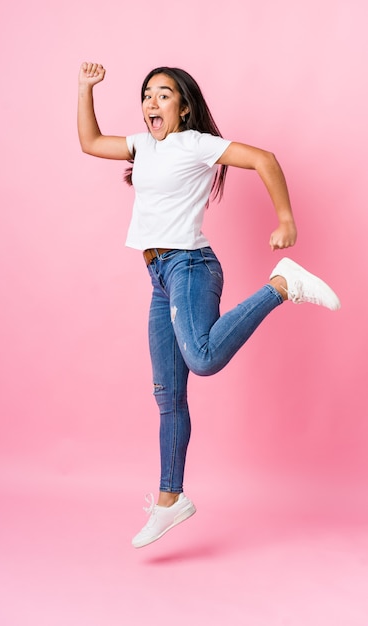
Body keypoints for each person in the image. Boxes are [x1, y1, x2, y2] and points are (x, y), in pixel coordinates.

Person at [77, 61, 340, 549]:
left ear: (184, 106)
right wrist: (85, 89)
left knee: (201, 357)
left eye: (163, 95)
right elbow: (91, 143)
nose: (152, 103)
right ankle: (170, 500)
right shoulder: (143, 145)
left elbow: (264, 158)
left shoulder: (195, 144)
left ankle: (282, 285)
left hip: (191, 268)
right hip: (159, 275)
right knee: (167, 395)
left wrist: (285, 218)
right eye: (147, 95)